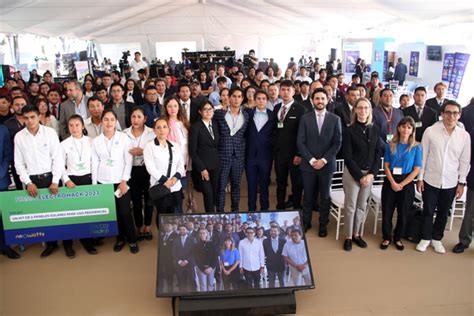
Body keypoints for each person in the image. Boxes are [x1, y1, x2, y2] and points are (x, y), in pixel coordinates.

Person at [416, 101, 470, 254]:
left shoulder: (464, 136)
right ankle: (425, 238)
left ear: (459, 115)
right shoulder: (431, 131)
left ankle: (437, 238)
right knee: (427, 210)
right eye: (448, 112)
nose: (451, 116)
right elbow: (423, 156)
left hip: (451, 181)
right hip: (430, 178)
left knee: (443, 212)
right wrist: (420, 178)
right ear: (442, 114)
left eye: (455, 113)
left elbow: (464, 161)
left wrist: (461, 182)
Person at [14, 105, 65, 257]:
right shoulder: (19, 137)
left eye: (32, 117)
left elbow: (58, 158)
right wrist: (28, 182)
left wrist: (55, 180)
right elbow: (19, 163)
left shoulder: (49, 133)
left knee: (59, 213)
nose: (29, 121)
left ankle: (67, 243)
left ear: (39, 117)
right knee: (43, 215)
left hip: (51, 178)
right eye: (26, 118)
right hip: (33, 182)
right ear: (23, 119)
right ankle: (51, 244)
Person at [91, 109, 138, 254]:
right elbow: (94, 163)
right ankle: (120, 239)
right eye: (106, 119)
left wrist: (124, 180)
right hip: (103, 183)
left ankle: (132, 240)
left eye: (112, 119)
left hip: (120, 182)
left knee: (125, 212)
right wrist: (95, 185)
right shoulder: (96, 141)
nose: (109, 122)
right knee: (114, 214)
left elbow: (128, 161)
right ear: (102, 122)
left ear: (116, 121)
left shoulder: (124, 138)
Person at [297, 88, 342, 235]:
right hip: (308, 165)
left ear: (328, 100)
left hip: (326, 165)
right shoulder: (305, 118)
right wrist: (311, 160)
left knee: (325, 197)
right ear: (312, 100)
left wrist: (323, 160)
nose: (320, 101)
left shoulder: (335, 119)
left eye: (323, 98)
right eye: (317, 98)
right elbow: (300, 142)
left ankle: (323, 224)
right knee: (308, 196)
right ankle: (306, 222)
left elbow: (337, 143)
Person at [341, 97, 383, 251]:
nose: (363, 111)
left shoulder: (375, 129)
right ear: (355, 110)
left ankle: (357, 234)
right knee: (351, 206)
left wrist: (372, 174)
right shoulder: (349, 130)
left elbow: (378, 153)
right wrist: (360, 176)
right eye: (360, 108)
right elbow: (348, 156)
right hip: (353, 173)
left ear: (370, 110)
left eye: (366, 108)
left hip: (369, 174)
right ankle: (348, 237)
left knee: (361, 206)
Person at [381, 117, 422, 250]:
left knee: (403, 213)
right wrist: (393, 182)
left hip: (406, 182)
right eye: (403, 126)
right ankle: (386, 237)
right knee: (387, 211)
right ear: (398, 128)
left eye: (409, 127)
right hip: (390, 180)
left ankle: (397, 237)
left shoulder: (416, 147)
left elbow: (416, 170)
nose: (406, 129)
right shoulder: (390, 145)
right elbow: (386, 166)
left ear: (412, 130)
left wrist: (402, 184)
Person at [61, 115, 99, 256]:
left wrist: (94, 183)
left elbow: (94, 163)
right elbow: (59, 165)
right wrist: (66, 180)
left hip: (88, 179)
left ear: (83, 126)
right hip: (71, 181)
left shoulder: (91, 141)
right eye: (71, 125)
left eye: (77, 125)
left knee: (86, 214)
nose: (74, 128)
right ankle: (68, 244)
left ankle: (87, 242)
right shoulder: (64, 144)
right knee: (69, 214)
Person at [214, 87, 249, 212]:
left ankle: (235, 211)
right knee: (221, 186)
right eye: (234, 96)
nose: (236, 99)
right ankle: (220, 211)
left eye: (239, 96)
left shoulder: (246, 114)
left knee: (236, 185)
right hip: (223, 155)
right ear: (228, 97)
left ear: (242, 99)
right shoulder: (218, 113)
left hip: (239, 155)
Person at [273, 80, 307, 210]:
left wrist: (299, 154)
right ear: (280, 91)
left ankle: (297, 208)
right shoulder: (277, 108)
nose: (285, 92)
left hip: (294, 155)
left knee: (296, 184)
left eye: (288, 89)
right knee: (280, 183)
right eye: (283, 89)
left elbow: (303, 134)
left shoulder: (301, 109)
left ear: (294, 91)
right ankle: (280, 206)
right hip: (279, 154)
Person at [123, 107, 155, 241]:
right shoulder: (124, 133)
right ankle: (139, 226)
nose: (135, 120)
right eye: (133, 117)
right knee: (136, 201)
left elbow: (155, 152)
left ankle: (148, 225)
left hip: (148, 170)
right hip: (131, 171)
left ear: (145, 119)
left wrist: (143, 151)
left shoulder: (152, 133)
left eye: (139, 117)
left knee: (149, 199)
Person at [143, 118, 184, 215]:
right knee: (162, 215)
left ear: (169, 129)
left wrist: (175, 178)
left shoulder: (175, 146)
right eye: (159, 127)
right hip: (160, 186)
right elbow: (150, 168)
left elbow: (180, 164)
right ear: (154, 130)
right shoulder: (149, 147)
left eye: (164, 127)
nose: (162, 130)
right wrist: (165, 180)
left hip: (175, 186)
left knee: (174, 214)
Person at [245, 90, 275, 212]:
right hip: (250, 156)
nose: (261, 101)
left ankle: (265, 209)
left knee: (264, 185)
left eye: (263, 98)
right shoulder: (248, 114)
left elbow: (275, 134)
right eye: (259, 98)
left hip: (265, 156)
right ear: (255, 100)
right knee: (251, 185)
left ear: (267, 101)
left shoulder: (273, 115)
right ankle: (251, 209)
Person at [189, 101, 220, 213]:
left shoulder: (215, 124)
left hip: (216, 165)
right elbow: (192, 151)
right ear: (200, 112)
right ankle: (210, 216)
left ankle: (214, 214)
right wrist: (202, 168)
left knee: (215, 193)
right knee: (208, 194)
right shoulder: (196, 127)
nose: (208, 111)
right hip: (203, 168)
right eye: (205, 109)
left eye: (210, 109)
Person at [162, 96, 191, 212]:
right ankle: (176, 219)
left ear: (179, 107)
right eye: (169, 106)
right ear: (166, 108)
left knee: (182, 193)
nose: (173, 109)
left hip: (186, 163)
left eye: (175, 106)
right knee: (175, 195)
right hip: (174, 166)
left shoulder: (184, 122)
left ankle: (180, 216)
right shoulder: (165, 124)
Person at [0, 124, 20, 259]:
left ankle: (4, 247)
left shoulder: (3, 129)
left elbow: (8, 155)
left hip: (1, 180)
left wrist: (0, 172)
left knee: (2, 217)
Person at [172, 224, 195, 292]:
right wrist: (179, 261)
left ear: (187, 230)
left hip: (190, 264)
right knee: (182, 282)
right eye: (180, 229)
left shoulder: (192, 239)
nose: (182, 231)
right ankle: (183, 296)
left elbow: (194, 252)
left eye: (183, 229)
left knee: (192, 282)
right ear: (179, 231)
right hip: (179, 265)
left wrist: (186, 261)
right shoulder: (175, 240)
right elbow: (173, 252)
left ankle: (194, 296)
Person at [158, 221, 178, 293]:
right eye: (165, 225)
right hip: (162, 259)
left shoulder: (176, 235)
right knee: (161, 275)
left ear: (172, 226)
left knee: (170, 275)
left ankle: (170, 290)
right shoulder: (162, 236)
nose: (166, 226)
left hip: (171, 259)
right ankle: (161, 289)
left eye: (168, 225)